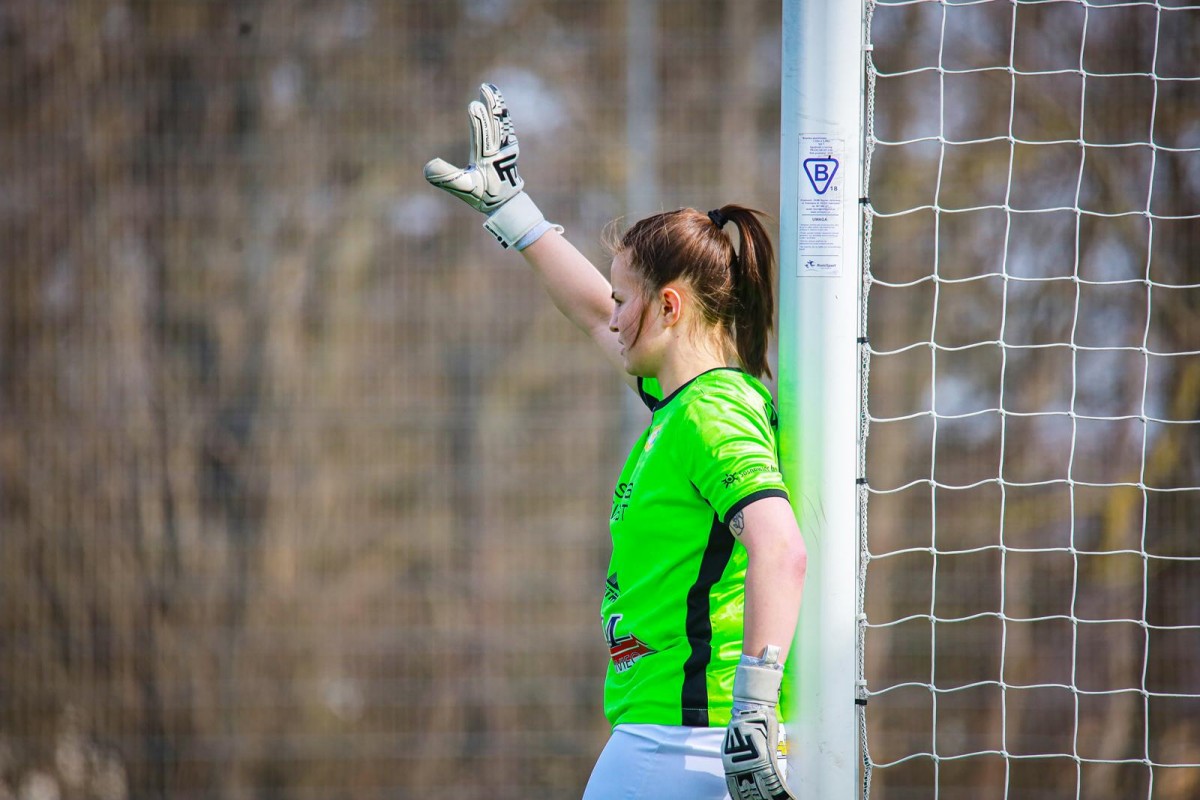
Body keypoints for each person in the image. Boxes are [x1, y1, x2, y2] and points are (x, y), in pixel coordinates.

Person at [424, 84, 807, 800]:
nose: (612, 315)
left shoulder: (711, 413)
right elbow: (587, 310)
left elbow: (781, 550)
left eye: (624, 299)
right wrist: (514, 211)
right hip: (678, 736)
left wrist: (753, 713)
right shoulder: (683, 402)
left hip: (687, 742)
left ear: (669, 307)